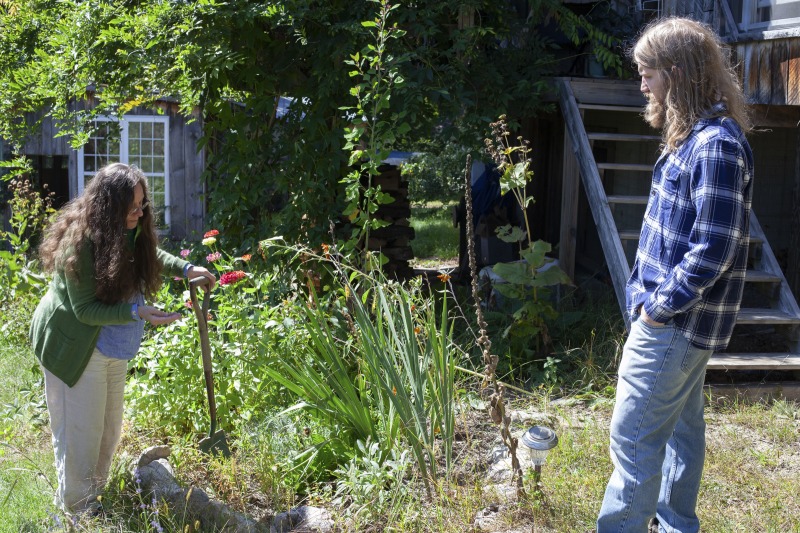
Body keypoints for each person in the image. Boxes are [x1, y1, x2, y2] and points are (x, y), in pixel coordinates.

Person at [597, 17, 753, 533]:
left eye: (648, 73)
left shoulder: (714, 146)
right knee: (681, 431)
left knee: (634, 438)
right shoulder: (693, 138)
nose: (641, 84)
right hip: (681, 324)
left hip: (676, 325)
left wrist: (658, 308)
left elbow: (715, 245)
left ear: (678, 73)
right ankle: (675, 524)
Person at [30, 162, 216, 515]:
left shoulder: (127, 229)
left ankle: (94, 501)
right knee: (79, 435)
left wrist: (188, 268)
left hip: (109, 342)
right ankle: (78, 513)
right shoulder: (78, 243)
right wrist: (136, 313)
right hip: (72, 347)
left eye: (142, 204)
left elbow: (152, 254)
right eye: (131, 206)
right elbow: (84, 310)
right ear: (108, 207)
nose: (139, 212)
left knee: (108, 431)